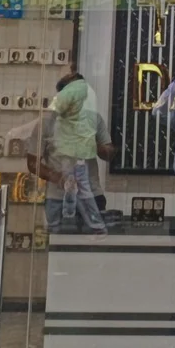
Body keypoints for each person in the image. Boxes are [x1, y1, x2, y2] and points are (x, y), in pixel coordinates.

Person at [37, 71, 108, 235]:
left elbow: (109, 154)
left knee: (94, 242)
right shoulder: (47, 123)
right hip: (57, 198)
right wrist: (58, 179)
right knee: (56, 245)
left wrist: (92, 143)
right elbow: (33, 163)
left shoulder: (94, 120)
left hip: (91, 195)